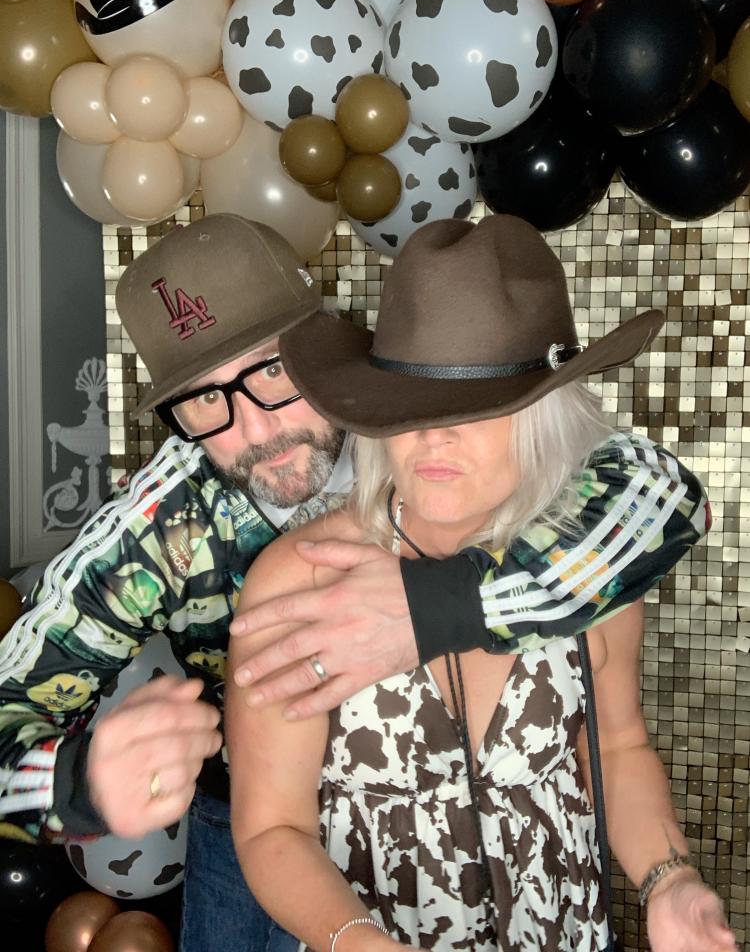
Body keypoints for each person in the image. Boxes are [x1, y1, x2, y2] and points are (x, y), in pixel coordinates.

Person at [0, 214, 707, 952]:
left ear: (325, 349)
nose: (255, 433)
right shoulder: (158, 529)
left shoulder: (441, 388)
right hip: (246, 816)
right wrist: (74, 784)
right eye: (204, 400)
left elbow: (670, 499)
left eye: (271, 370)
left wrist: (436, 608)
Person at [226, 215, 735, 952]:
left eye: (478, 408)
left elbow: (618, 751)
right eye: (411, 406)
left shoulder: (586, 568)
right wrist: (361, 944)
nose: (434, 436)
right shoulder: (300, 580)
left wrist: (669, 879)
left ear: (541, 415)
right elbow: (272, 827)